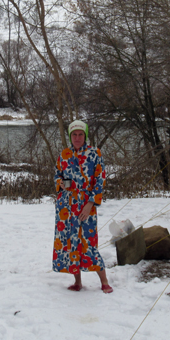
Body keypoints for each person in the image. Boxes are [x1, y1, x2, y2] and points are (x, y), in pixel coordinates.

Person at [53, 119, 113, 293]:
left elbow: (100, 180)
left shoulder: (94, 153)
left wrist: (90, 204)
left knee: (88, 241)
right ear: (70, 136)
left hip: (86, 204)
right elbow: (57, 175)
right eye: (74, 134)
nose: (77, 138)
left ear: (85, 136)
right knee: (70, 242)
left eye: (80, 134)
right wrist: (61, 183)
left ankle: (104, 281)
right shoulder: (64, 154)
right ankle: (77, 281)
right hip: (66, 206)